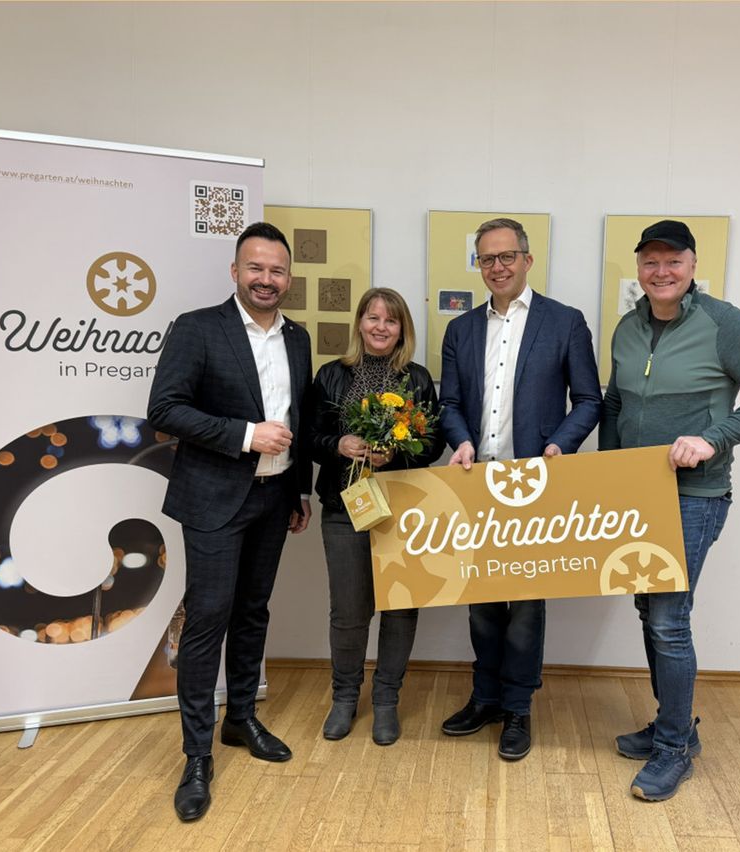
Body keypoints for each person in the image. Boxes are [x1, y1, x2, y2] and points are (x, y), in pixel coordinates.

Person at [599, 219, 740, 801]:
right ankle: (673, 726)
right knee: (647, 611)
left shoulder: (723, 323)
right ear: (638, 269)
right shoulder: (628, 327)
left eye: (673, 261)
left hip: (694, 497)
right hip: (637, 493)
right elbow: (615, 401)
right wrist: (609, 469)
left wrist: (713, 438)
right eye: (650, 262)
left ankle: (675, 748)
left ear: (692, 266)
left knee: (667, 618)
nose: (661, 272)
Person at [147, 221, 313, 821]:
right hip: (215, 498)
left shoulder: (297, 338)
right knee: (207, 620)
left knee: (252, 613)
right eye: (256, 268)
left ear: (287, 277)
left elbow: (295, 415)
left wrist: (299, 490)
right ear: (235, 271)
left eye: (276, 271)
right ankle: (196, 754)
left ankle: (240, 719)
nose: (266, 279)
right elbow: (164, 410)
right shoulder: (198, 328)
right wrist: (246, 436)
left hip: (274, 499)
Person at [439, 218, 601, 760]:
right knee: (481, 603)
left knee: (527, 605)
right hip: (476, 482)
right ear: (478, 266)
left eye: (507, 256)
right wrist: (459, 441)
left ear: (528, 260)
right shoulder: (460, 331)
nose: (498, 267)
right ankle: (484, 697)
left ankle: (518, 709)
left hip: (535, 485)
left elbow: (590, 400)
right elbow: (451, 405)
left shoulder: (565, 322)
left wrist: (560, 445)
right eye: (487, 259)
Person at [311, 287, 443, 746]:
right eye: (373, 317)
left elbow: (433, 444)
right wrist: (338, 445)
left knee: (401, 606)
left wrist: (398, 454)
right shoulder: (330, 375)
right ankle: (345, 698)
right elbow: (309, 436)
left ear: (402, 328)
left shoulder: (418, 379)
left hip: (403, 508)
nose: (381, 327)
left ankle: (387, 700)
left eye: (391, 320)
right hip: (345, 506)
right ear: (360, 323)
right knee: (349, 612)